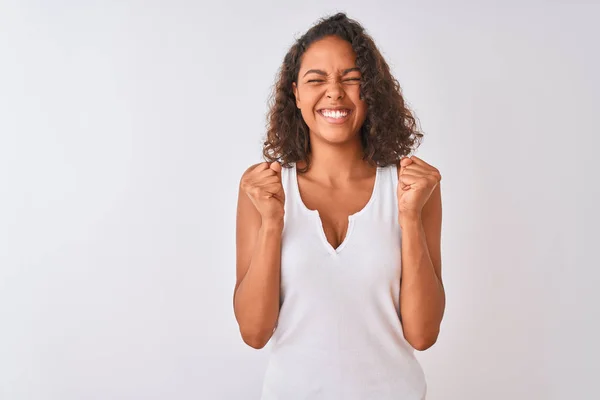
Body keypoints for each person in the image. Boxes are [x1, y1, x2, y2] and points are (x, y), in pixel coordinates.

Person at [233, 12, 445, 400]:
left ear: (371, 91)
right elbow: (254, 333)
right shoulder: (264, 190)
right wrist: (271, 224)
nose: (334, 92)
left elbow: (423, 334)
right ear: (296, 93)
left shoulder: (411, 186)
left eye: (351, 79)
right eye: (317, 80)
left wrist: (410, 219)